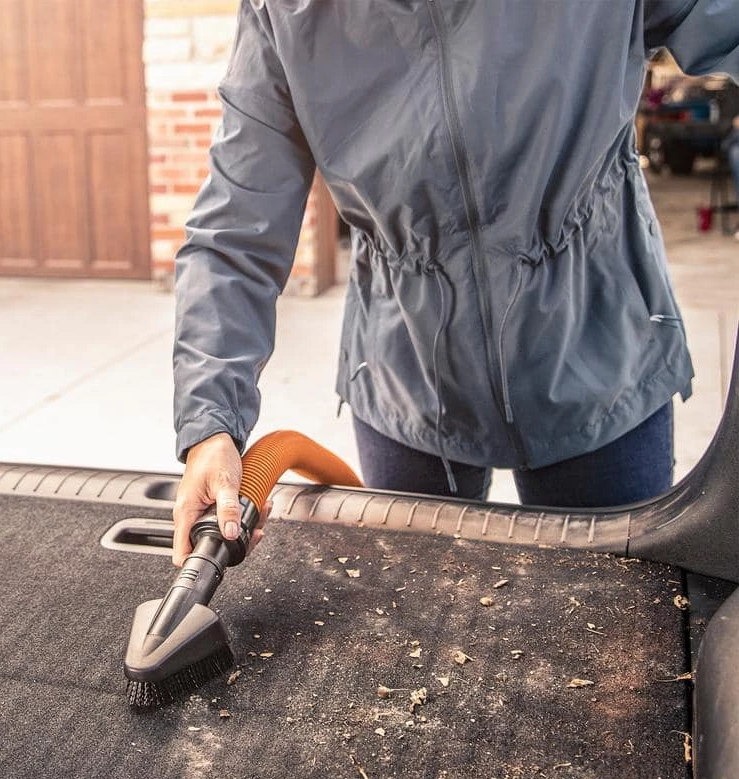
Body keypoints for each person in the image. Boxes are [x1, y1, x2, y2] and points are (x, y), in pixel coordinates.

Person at [170, 0, 739, 566]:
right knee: (415, 600)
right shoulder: (283, 12)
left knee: (620, 605)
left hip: (598, 351)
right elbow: (236, 229)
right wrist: (210, 424)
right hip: (408, 374)